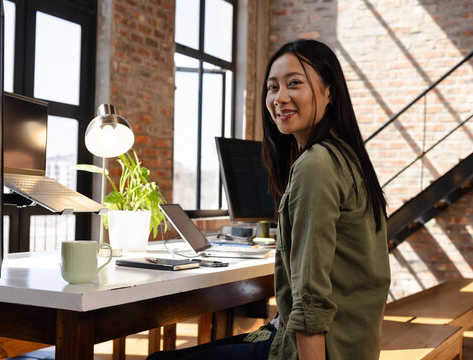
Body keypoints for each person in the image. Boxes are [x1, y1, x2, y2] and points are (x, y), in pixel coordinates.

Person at [147, 38, 390, 360]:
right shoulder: (345, 155)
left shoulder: (317, 164)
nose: (280, 98)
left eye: (294, 84)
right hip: (352, 342)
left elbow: (309, 294)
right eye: (272, 87)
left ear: (329, 91)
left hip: (325, 349)